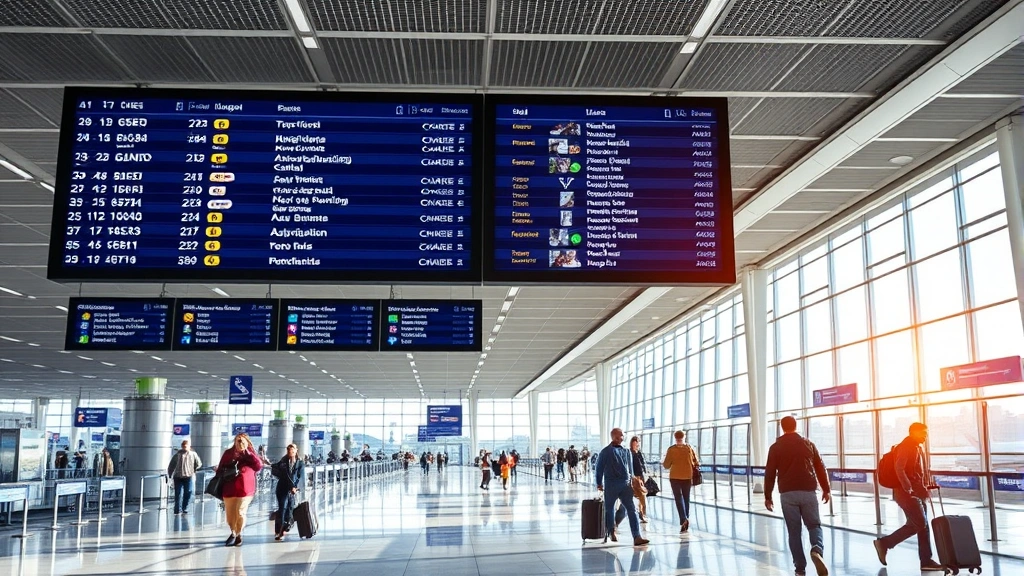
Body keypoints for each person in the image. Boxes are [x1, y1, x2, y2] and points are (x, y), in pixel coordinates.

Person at [764, 416, 831, 576]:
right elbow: (820, 467)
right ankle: (817, 549)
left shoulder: (775, 447)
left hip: (787, 494)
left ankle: (800, 569)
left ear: (782, 428)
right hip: (808, 491)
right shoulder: (808, 444)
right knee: (814, 526)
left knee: (794, 532)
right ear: (796, 426)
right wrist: (826, 488)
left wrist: (768, 496)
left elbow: (770, 473)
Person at [873, 422, 943, 572]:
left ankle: (926, 560)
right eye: (923, 433)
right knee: (919, 523)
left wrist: (924, 485)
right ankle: (885, 543)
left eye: (926, 433)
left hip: (916, 492)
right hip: (907, 493)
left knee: (923, 526)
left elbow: (916, 471)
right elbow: (900, 467)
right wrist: (908, 487)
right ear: (913, 433)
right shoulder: (907, 446)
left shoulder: (917, 447)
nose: (925, 436)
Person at [596, 428, 649, 546]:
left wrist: (634, 481)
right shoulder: (610, 452)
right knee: (617, 509)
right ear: (614, 437)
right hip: (616, 484)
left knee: (628, 509)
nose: (623, 437)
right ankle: (619, 532)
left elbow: (630, 470)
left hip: (622, 485)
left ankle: (631, 535)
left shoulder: (622, 452)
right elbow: (599, 469)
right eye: (621, 435)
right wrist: (599, 483)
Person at [217, 432, 262, 547]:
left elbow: (258, 466)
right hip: (229, 488)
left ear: (247, 441)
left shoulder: (250, 454)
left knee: (240, 511)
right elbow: (220, 468)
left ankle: (239, 533)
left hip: (245, 489)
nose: (239, 442)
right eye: (237, 440)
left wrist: (246, 451)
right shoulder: (228, 453)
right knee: (230, 515)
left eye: (242, 440)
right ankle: (233, 531)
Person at [662, 430, 699, 533]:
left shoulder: (671, 450)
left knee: (678, 499)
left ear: (675, 437)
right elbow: (696, 462)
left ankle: (683, 519)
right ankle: (686, 518)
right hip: (687, 477)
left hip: (675, 477)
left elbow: (666, 465)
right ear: (684, 436)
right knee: (686, 499)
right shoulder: (689, 448)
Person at [273, 444, 304, 541]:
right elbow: (276, 470)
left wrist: (296, 487)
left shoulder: (300, 463)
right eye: (289, 451)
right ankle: (280, 531)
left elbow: (301, 476)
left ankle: (286, 525)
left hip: (292, 490)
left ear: (296, 451)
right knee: (282, 507)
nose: (291, 453)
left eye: (293, 450)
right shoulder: (283, 461)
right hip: (282, 488)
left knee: (290, 509)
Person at [167, 439, 203, 515]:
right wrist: (170, 474)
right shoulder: (177, 455)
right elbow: (172, 465)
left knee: (188, 492)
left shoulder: (193, 454)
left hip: (188, 476)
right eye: (183, 446)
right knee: (178, 493)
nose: (185, 447)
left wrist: (194, 469)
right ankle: (177, 509)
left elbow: (199, 464)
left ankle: (184, 507)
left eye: (186, 446)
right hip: (178, 477)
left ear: (189, 446)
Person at [629, 437, 649, 523]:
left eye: (638, 442)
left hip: (641, 476)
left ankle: (642, 513)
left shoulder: (639, 453)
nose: (637, 444)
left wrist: (646, 473)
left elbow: (643, 464)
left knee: (642, 495)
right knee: (640, 495)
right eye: (635, 442)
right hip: (634, 477)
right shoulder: (630, 453)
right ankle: (641, 513)